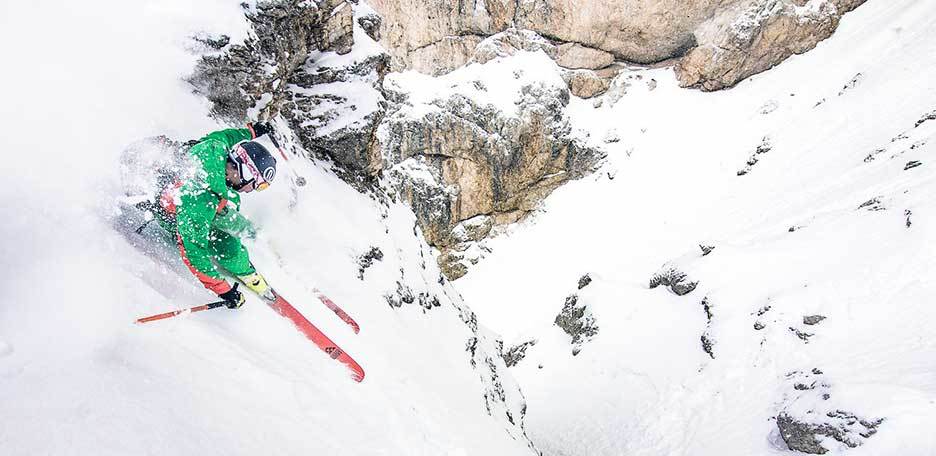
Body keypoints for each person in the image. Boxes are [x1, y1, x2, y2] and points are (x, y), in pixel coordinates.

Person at [156, 122, 278, 309]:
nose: (252, 190)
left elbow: (229, 136)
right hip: (169, 213)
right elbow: (193, 252)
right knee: (224, 243)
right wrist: (224, 291)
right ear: (243, 172)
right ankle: (243, 262)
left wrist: (251, 132)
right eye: (256, 184)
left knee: (227, 209)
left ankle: (252, 237)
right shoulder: (201, 198)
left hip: (190, 192)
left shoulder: (217, 147)